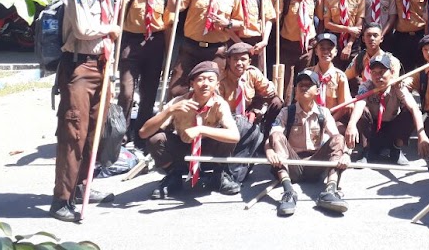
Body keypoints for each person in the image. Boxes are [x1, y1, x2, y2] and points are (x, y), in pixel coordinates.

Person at [50, 0, 128, 222]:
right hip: (79, 66)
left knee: (96, 131)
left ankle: (82, 186)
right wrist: (110, 29)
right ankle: (62, 199)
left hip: (102, 66)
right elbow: (84, 31)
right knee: (74, 132)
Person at [139, 61, 241, 199]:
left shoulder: (219, 103)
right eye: (200, 79)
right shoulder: (179, 102)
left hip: (209, 151)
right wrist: (169, 111)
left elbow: (235, 135)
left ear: (217, 85)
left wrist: (201, 130)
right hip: (184, 149)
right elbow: (143, 132)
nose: (205, 84)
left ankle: (218, 175)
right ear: (192, 84)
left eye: (210, 80)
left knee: (226, 137)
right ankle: (174, 175)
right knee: (155, 139)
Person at [265, 70, 351, 216]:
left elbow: (336, 137)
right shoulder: (287, 112)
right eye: (301, 85)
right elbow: (272, 136)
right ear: (295, 91)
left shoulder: (324, 113)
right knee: (277, 134)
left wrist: (346, 154)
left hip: (316, 164)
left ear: (317, 90)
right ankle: (288, 192)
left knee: (339, 139)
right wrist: (269, 151)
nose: (304, 88)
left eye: (309, 85)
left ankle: (330, 191)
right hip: (292, 163)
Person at [166, 0, 244, 98]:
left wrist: (227, 23)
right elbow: (173, 7)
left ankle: (207, 121)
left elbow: (240, 23)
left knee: (211, 92)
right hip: (190, 48)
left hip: (216, 52)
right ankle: (178, 120)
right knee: (176, 90)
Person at [117, 0, 173, 146]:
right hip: (131, 43)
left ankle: (142, 134)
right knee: (126, 92)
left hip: (155, 43)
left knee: (149, 93)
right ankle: (120, 134)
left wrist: (167, 53)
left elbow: (168, 26)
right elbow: (118, 8)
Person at [216, 42, 282, 191]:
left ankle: (264, 139)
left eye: (243, 59)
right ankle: (227, 169)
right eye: (235, 59)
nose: (239, 63)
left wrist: (259, 109)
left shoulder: (252, 73)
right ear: (228, 61)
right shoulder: (221, 81)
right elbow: (217, 111)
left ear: (249, 62)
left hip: (249, 115)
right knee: (241, 127)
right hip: (228, 122)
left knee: (277, 102)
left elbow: (271, 92)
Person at [345, 54, 429, 165]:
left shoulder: (398, 86)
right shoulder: (366, 86)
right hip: (373, 128)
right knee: (359, 111)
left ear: (391, 72)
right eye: (374, 73)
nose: (378, 76)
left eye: (382, 72)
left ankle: (396, 149)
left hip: (392, 127)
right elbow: (360, 104)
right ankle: (368, 149)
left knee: (409, 113)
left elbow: (415, 108)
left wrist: (421, 134)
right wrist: (351, 125)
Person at [279, 0, 318, 94]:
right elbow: (274, 17)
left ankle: (302, 106)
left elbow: (320, 20)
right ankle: (286, 110)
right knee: (287, 83)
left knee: (305, 79)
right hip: (288, 46)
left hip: (308, 47)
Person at [231, 0, 276, 71]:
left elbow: (269, 18)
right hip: (235, 40)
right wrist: (241, 44)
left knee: (255, 77)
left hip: (257, 43)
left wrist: (264, 41)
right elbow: (225, 24)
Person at [323, 0, 365, 69]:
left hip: (353, 41)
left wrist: (349, 45)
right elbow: (327, 24)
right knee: (334, 71)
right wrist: (348, 29)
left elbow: (358, 26)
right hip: (335, 39)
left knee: (354, 74)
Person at [345, 23, 402, 94]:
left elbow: (394, 85)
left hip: (386, 100)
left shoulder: (392, 61)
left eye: (375, 35)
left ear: (381, 39)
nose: (371, 38)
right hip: (365, 99)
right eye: (368, 35)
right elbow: (344, 77)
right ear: (363, 39)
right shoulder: (359, 58)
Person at [312, 32, 353, 130]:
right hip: (310, 120)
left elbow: (344, 107)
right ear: (316, 51)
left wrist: (329, 122)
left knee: (341, 133)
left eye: (330, 48)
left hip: (333, 119)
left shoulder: (340, 77)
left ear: (335, 52)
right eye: (322, 48)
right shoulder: (308, 74)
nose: (326, 51)